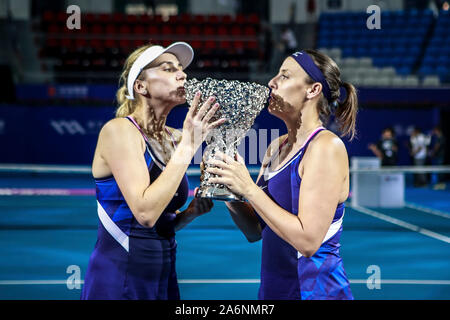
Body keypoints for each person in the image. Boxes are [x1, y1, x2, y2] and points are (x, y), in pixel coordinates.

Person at [205, 49, 357, 300]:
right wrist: (228, 187)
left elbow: (308, 242)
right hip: (273, 292)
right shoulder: (276, 147)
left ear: (313, 90)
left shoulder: (325, 148)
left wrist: (249, 188)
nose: (272, 82)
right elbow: (255, 230)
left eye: (284, 76)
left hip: (315, 294)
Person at [81, 42, 225, 300]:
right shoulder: (120, 131)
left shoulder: (174, 138)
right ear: (141, 86)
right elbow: (145, 213)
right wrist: (191, 144)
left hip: (163, 276)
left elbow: (158, 223)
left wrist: (188, 214)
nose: (182, 75)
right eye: (168, 69)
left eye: (181, 69)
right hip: (120, 278)